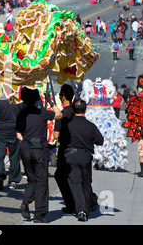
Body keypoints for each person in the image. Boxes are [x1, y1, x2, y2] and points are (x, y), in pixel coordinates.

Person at [16, 87, 62, 223]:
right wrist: (50, 101)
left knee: (31, 178)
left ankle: (26, 201)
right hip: (39, 148)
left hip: (25, 147)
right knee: (42, 181)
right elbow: (59, 115)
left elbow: (18, 133)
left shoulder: (21, 114)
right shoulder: (42, 112)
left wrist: (25, 141)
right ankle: (39, 214)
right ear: (37, 98)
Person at [60, 99, 104, 221]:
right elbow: (100, 141)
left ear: (73, 110)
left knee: (75, 183)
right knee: (86, 183)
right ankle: (87, 208)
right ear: (85, 110)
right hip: (86, 156)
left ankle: (81, 210)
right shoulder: (90, 126)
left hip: (71, 156)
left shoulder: (67, 124)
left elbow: (61, 139)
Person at [0, 94, 24, 191]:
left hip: (1, 130)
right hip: (14, 130)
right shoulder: (19, 101)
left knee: (0, 155)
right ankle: (13, 180)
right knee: (14, 156)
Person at [53, 84, 75, 215]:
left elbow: (56, 135)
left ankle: (70, 204)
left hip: (65, 148)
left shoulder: (62, 114)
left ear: (63, 97)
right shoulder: (75, 110)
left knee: (60, 176)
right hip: (77, 147)